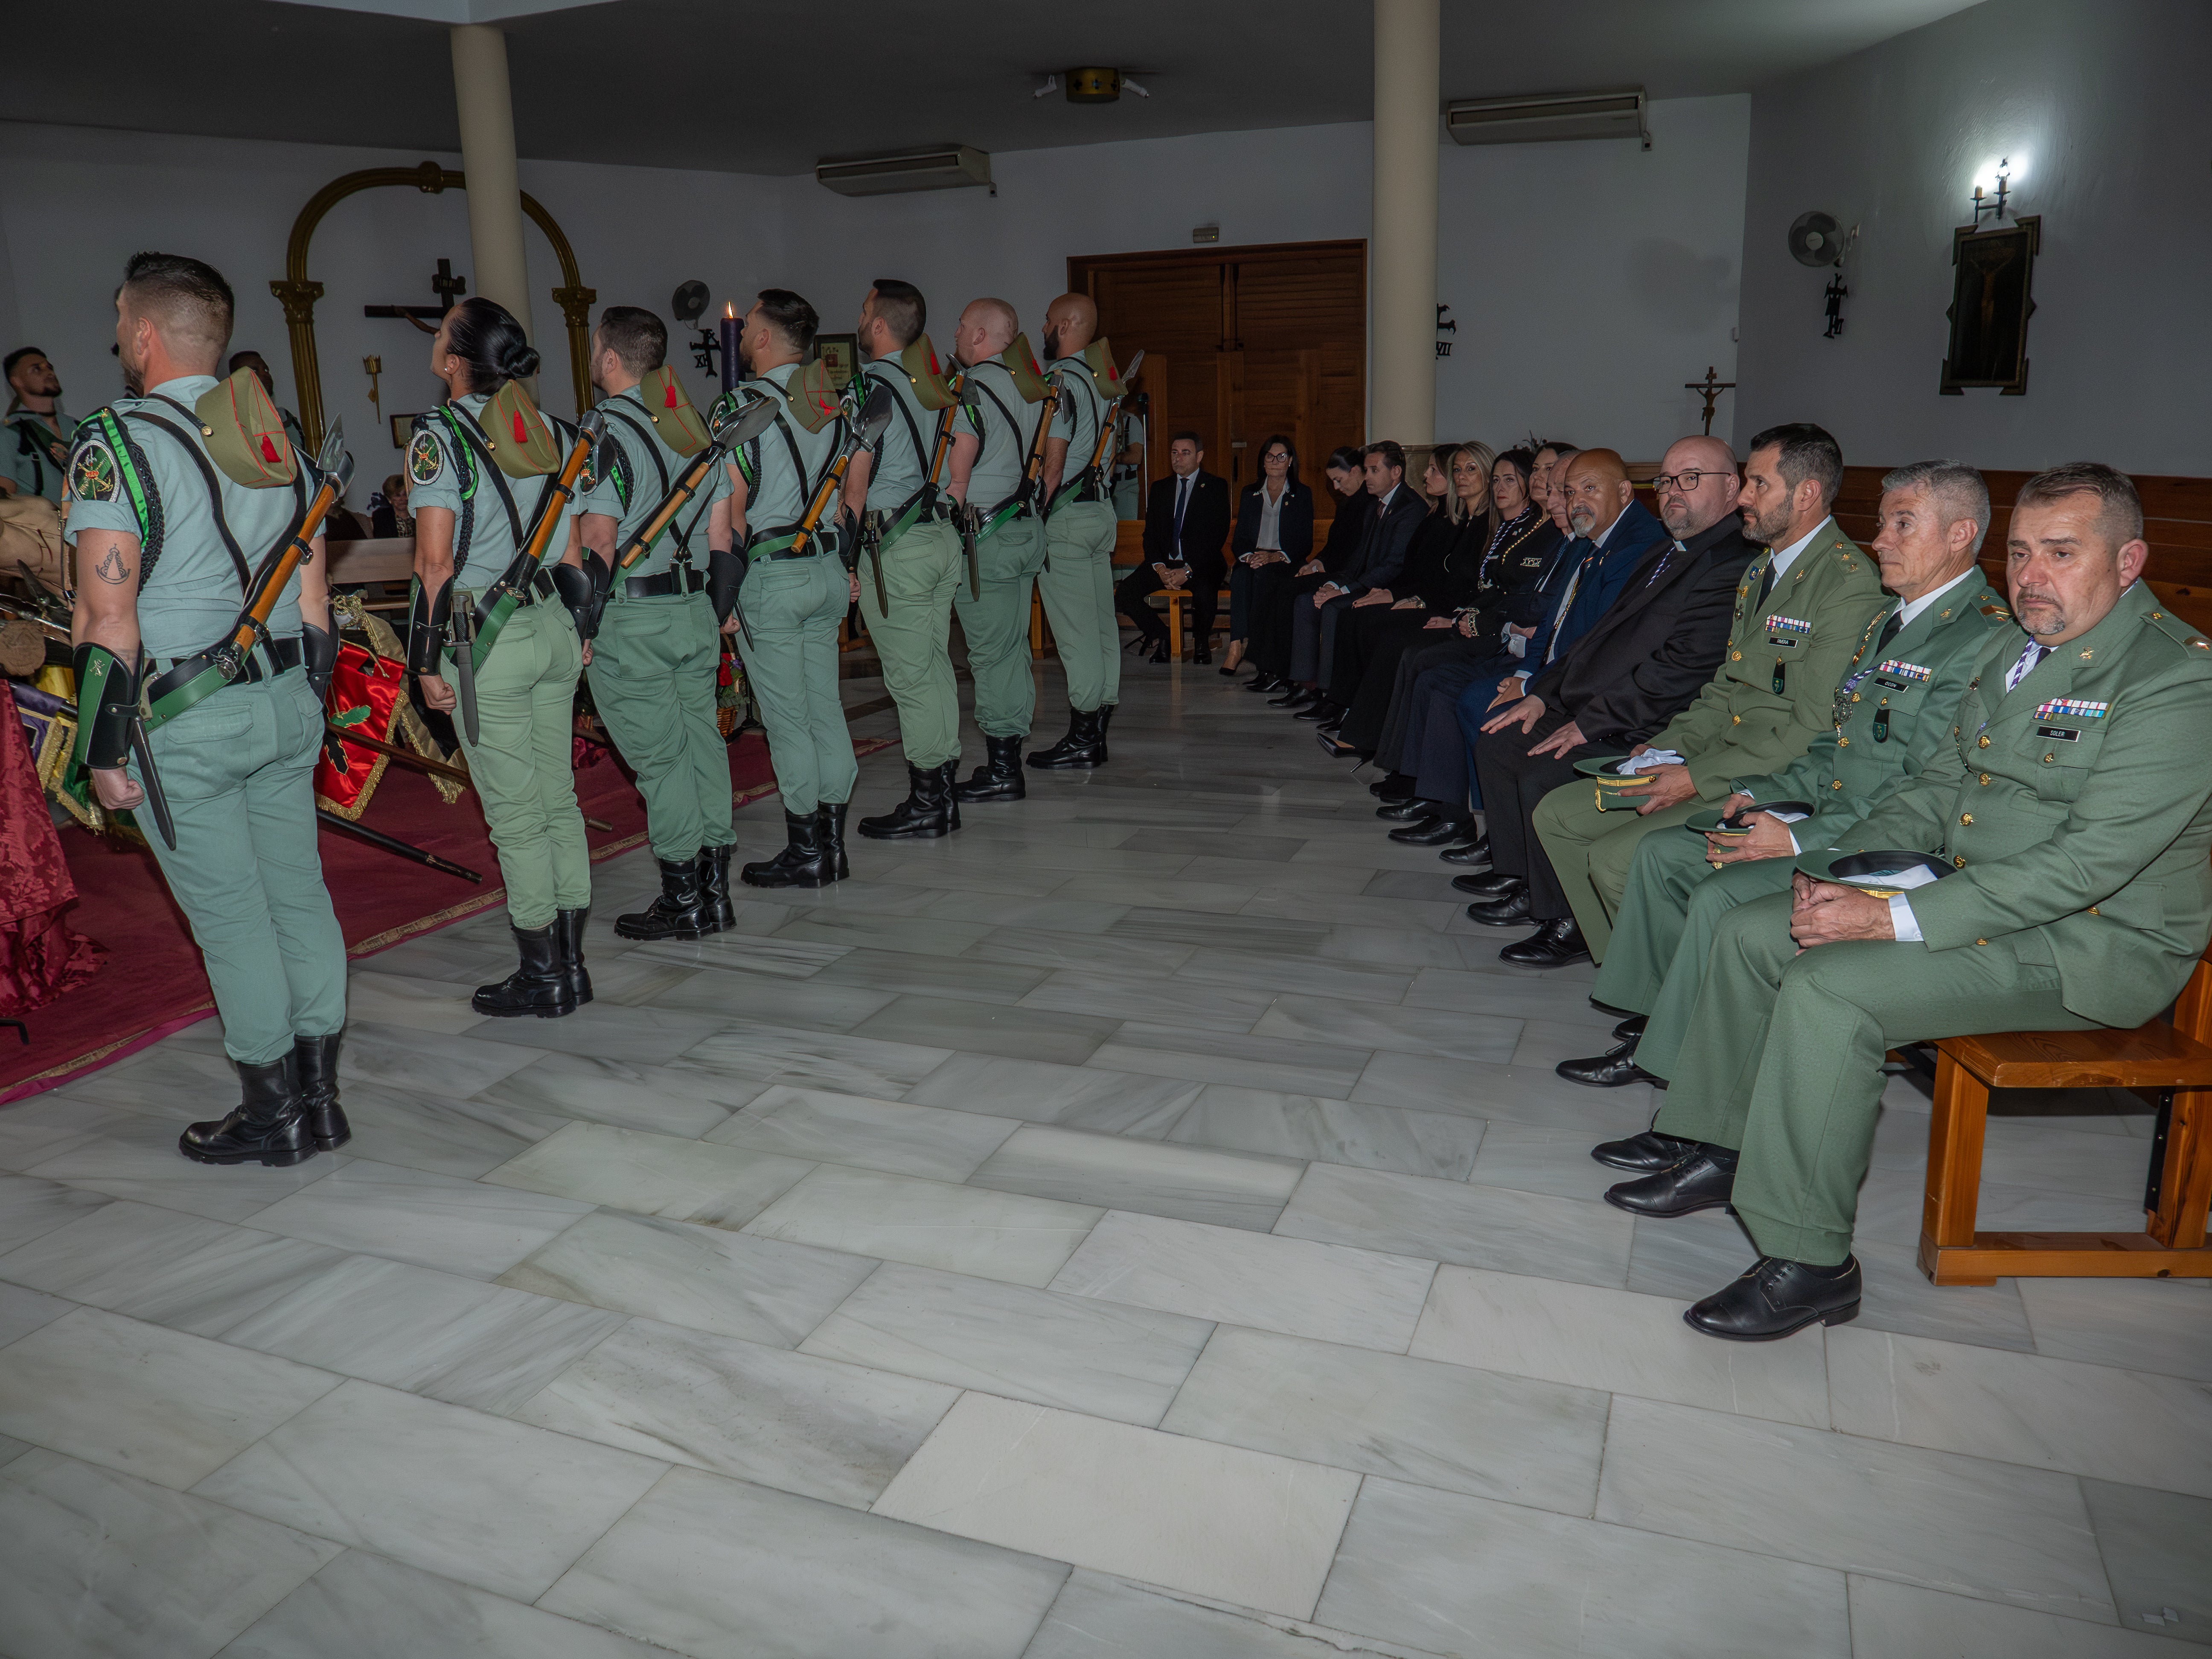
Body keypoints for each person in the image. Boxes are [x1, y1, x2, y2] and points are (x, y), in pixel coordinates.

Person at [1625, 464, 2212, 1340]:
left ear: (2128, 562)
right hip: (1977, 900)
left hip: (2085, 945)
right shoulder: (2020, 647)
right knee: (1756, 929)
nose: (2032, 575)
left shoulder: (2175, 680)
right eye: (2021, 552)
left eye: (2062, 552)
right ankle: (1720, 1143)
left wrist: (1890, 917)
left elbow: (2088, 866)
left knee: (1832, 989)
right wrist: (1845, 869)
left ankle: (1812, 1262)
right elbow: (1940, 789)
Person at [1563, 461, 2011, 1095]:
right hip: (1825, 810)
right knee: (1664, 854)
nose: (1879, 539)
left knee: (1721, 896)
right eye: (1883, 523)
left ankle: (1686, 1069)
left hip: (1883, 844)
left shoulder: (1978, 639)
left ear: (1961, 534)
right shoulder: (1894, 619)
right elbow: (1835, 738)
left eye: (1902, 525)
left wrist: (1803, 839)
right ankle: (1663, 1026)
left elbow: (1924, 789)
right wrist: (1764, 795)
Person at [66, 251, 348, 1165]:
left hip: (185, 715)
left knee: (230, 917)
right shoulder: (277, 442)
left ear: (144, 335)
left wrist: (101, 748)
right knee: (299, 895)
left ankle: (273, 1115)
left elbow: (108, 622)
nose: (116, 336)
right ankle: (323, 1099)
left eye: (119, 321)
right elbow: (314, 604)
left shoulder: (117, 442)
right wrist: (307, 703)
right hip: (283, 698)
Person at [1518, 423, 1886, 966]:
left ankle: (1667, 1007)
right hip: (1714, 754)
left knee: (1620, 858)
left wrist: (1694, 779)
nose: (1742, 497)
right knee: (1559, 817)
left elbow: (1811, 729)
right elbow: (1724, 688)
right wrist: (1665, 748)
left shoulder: (1848, 583)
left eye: (1757, 485)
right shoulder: (1762, 569)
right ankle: (1633, 972)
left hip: (1766, 778)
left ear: (1806, 495)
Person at [1462, 436, 1760, 963]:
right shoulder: (1669, 549)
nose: (1673, 493)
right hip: (1606, 704)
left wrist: (1586, 723)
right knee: (1502, 738)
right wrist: (1541, 695)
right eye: (1667, 481)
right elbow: (1599, 637)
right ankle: (1526, 882)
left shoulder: (1731, 564)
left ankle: (1567, 920)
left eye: (1691, 480)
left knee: (1540, 770)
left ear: (1732, 488)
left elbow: (1679, 673)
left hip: (1656, 724)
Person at [406, 296, 593, 1017]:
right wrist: (579, 627)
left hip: (486, 636)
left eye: (441, 330)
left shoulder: (440, 434)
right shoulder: (549, 428)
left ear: (454, 359)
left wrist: (424, 661)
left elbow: (432, 562)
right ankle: (571, 965)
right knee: (559, 800)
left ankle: (541, 975)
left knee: (516, 816)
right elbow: (571, 548)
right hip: (551, 621)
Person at [1385, 450, 1662, 851]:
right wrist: (1525, 675)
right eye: (1566, 492)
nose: (1571, 501)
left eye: (1586, 489)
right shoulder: (1588, 538)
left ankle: (1500, 836)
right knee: (1437, 676)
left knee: (1477, 702)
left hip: (1580, 685)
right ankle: (1467, 817)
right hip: (1536, 662)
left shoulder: (1626, 545)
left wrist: (1535, 683)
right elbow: (1551, 620)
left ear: (1623, 491)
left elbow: (1593, 642)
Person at [569, 304, 738, 940]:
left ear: (610, 358)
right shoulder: (693, 429)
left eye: (594, 351)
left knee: (663, 763)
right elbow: (724, 539)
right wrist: (712, 618)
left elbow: (600, 542)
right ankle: (715, 891)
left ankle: (682, 899)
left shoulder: (603, 431)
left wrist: (581, 626)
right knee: (702, 749)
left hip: (633, 618)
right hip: (694, 608)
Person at [722, 289, 859, 888]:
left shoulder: (743, 405)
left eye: (749, 325)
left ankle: (806, 850)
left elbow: (731, 512)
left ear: (762, 337)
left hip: (772, 575)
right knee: (825, 709)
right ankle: (833, 846)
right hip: (826, 567)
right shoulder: (834, 406)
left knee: (787, 720)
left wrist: (721, 595)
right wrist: (847, 566)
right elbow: (853, 499)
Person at [1361, 445, 1569, 804]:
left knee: (1429, 666)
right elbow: (1496, 589)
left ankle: (1435, 796)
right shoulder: (1514, 526)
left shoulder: (1554, 533)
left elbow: (1527, 600)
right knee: (1420, 664)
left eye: (1546, 472)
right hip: (1495, 630)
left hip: (1512, 644)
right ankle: (1419, 783)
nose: (1542, 479)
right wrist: (1467, 615)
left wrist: (1476, 618)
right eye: (1536, 470)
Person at [844, 278, 972, 836]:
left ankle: (927, 804)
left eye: (864, 308)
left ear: (878, 324)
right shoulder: (933, 383)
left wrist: (843, 561)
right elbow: (967, 443)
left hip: (894, 546)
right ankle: (942, 796)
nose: (860, 314)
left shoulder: (869, 386)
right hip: (940, 534)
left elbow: (854, 486)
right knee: (935, 666)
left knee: (912, 677)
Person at [1316, 441, 1496, 761]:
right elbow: (1429, 573)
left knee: (1390, 637)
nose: (1461, 477)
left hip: (1456, 615)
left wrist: (1420, 601)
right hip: (1437, 603)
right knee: (1364, 620)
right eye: (1457, 470)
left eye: (1470, 470)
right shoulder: (1454, 517)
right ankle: (1354, 716)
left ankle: (1370, 737)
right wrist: (1405, 596)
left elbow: (1461, 586)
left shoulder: (1480, 524)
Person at [947, 297, 1048, 802]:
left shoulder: (969, 390)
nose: (958, 334)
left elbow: (957, 474)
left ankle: (1004, 769)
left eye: (963, 327)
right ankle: (1009, 757)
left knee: (990, 655)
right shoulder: (1035, 388)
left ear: (983, 336)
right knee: (1013, 651)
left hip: (985, 537)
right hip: (1025, 528)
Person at [1029, 292, 1125, 769]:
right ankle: (1100, 725)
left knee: (1074, 633)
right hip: (1100, 512)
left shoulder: (1061, 379)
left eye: (1048, 321)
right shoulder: (1104, 380)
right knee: (1103, 625)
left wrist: (1035, 516)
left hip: (1065, 516)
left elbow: (1054, 462)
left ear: (1066, 325)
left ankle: (1084, 733)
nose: (1043, 328)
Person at [1281, 441, 1425, 719]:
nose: (1367, 476)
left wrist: (1346, 590)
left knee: (1336, 610)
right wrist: (1334, 585)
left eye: (1373, 470)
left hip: (1389, 589)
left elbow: (1393, 565)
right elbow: (1360, 558)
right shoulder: (1376, 506)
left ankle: (1333, 697)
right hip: (1365, 583)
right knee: (1307, 601)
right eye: (1366, 470)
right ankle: (1305, 684)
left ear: (1396, 472)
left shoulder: (1411, 508)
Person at [1249, 445, 1364, 694]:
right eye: (1333, 481)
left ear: (1356, 472)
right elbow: (1334, 546)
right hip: (1331, 569)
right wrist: (1316, 563)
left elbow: (1355, 555)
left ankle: (1283, 671)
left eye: (1339, 480)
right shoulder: (1348, 502)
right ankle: (1265, 666)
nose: (1336, 487)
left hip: (1345, 575)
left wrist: (1322, 569)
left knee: (1288, 590)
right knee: (1269, 577)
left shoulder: (1368, 504)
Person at [1118, 430, 1230, 664]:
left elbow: (1216, 537)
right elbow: (1150, 535)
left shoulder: (1216, 487)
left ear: (1199, 457)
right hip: (1165, 563)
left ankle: (1201, 644)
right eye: (1174, 453)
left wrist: (1187, 571)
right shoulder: (1161, 488)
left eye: (1185, 453)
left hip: (1202, 563)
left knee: (1204, 590)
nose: (1178, 458)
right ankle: (1163, 636)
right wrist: (1160, 569)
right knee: (1125, 594)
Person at [1220, 435, 1312, 679]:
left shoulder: (1302, 494)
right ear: (1263, 462)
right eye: (1269, 457)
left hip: (1284, 561)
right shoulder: (1250, 493)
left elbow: (1305, 542)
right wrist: (1250, 557)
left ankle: (1259, 649)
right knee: (1240, 578)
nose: (1274, 462)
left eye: (1281, 457)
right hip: (1255, 557)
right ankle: (1236, 646)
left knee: (1264, 579)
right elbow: (1239, 540)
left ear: (1290, 461)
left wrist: (1276, 557)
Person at [4, 347, 74, 503]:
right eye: (37, 369)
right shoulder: (9, 434)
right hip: (41, 523)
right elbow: (5, 503)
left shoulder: (81, 428)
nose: (49, 373)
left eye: (49, 367)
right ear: (17, 381)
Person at [227, 349, 309, 455]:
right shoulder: (233, 421)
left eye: (266, 370)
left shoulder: (286, 417)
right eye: (255, 371)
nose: (265, 375)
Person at [370, 471, 414, 538]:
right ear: (389, 499)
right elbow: (382, 542)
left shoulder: (419, 514)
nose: (402, 499)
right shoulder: (381, 516)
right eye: (398, 496)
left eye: (405, 495)